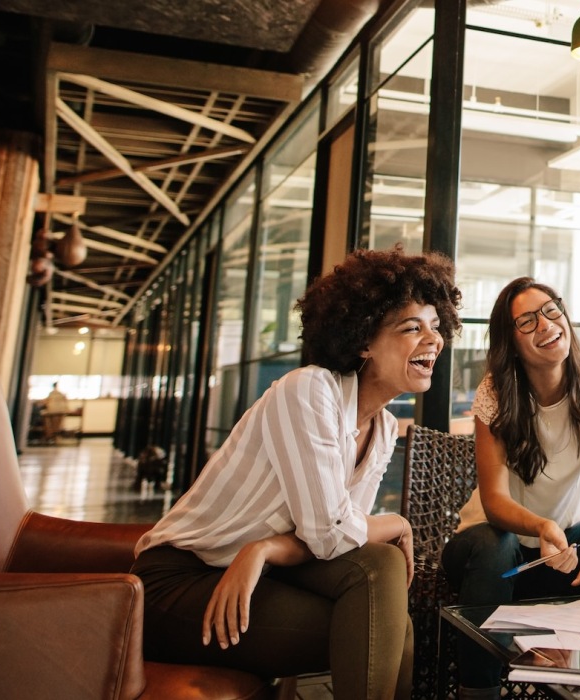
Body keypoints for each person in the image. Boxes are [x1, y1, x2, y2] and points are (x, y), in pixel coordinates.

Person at [132, 248, 462, 700]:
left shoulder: (383, 427)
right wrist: (398, 523)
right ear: (364, 340)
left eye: (436, 326)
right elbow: (333, 533)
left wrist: (264, 549)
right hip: (177, 584)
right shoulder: (308, 390)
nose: (433, 339)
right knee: (383, 627)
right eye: (412, 328)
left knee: (380, 579)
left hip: (261, 572)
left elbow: (341, 543)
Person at [441, 277, 580, 699]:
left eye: (551, 310)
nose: (546, 324)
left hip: (560, 557)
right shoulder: (496, 395)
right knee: (496, 543)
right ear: (511, 342)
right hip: (492, 562)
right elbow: (495, 501)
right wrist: (541, 527)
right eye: (527, 321)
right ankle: (477, 692)